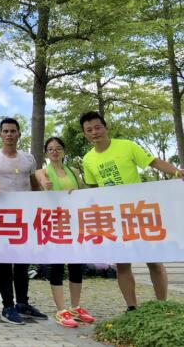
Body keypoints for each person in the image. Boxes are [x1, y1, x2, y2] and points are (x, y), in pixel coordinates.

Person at [79, 111, 184, 311]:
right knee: (122, 263)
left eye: (97, 127)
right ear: (85, 134)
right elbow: (93, 188)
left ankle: (162, 305)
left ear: (105, 127)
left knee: (154, 260)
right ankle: (131, 307)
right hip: (114, 216)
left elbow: (153, 162)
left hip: (139, 211)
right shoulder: (88, 159)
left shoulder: (127, 145)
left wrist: (177, 172)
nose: (94, 132)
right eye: (89, 130)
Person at [0, 118, 47, 325]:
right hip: (2, 218)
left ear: (19, 134)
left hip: (25, 217)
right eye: (5, 131)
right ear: (0, 134)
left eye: (12, 131)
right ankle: (7, 307)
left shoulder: (28, 158)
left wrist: (42, 204)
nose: (9, 134)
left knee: (22, 263)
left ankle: (22, 303)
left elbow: (34, 186)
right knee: (4, 263)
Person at [34, 137, 95, 327]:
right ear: (46, 153)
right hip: (55, 223)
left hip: (74, 223)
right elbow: (41, 182)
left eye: (58, 148)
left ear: (64, 151)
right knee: (58, 266)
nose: (55, 151)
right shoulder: (42, 171)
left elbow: (83, 192)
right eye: (51, 149)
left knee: (76, 265)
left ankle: (75, 307)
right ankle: (61, 310)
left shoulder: (74, 171)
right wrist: (45, 185)